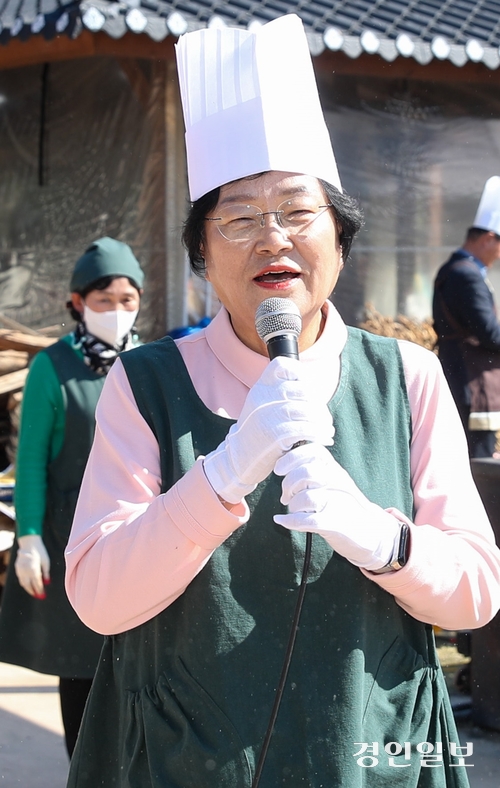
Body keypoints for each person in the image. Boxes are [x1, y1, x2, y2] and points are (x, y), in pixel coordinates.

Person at [65, 16, 500, 788]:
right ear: (202, 255)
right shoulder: (146, 384)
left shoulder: (408, 375)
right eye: (237, 218)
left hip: (372, 753)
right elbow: (99, 600)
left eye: (299, 212)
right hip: (184, 760)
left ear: (340, 238)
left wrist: (379, 538)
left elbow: (475, 592)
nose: (272, 239)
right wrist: (223, 474)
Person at [0, 237, 144, 758]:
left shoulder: (149, 363)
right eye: (104, 300)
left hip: (138, 535)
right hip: (70, 539)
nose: (117, 311)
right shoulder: (53, 368)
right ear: (78, 303)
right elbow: (33, 460)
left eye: (128, 300)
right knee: (81, 663)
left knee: (139, 664)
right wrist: (30, 536)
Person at [433, 176, 500, 458]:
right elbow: (489, 332)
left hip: (462, 376)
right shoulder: (466, 276)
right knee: (476, 462)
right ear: (487, 239)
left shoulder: (457, 269)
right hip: (470, 382)